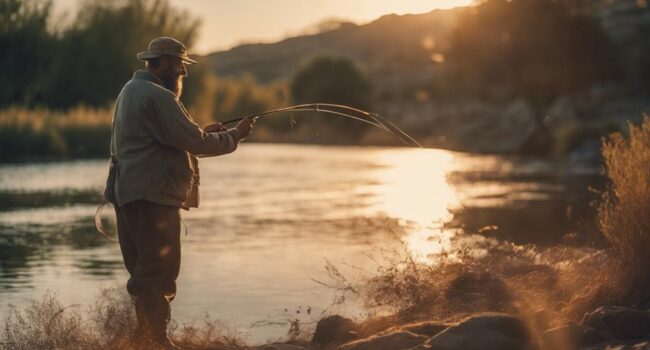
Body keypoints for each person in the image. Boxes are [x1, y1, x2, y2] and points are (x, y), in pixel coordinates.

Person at [105, 37, 255, 349]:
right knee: (158, 273)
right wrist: (235, 136)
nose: (183, 73)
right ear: (163, 64)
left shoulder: (128, 91)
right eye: (180, 66)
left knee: (144, 271)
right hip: (152, 198)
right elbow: (196, 143)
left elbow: (170, 139)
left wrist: (204, 132)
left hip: (128, 196)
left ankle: (143, 338)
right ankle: (157, 340)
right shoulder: (160, 96)